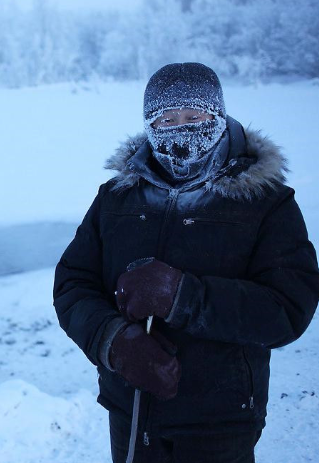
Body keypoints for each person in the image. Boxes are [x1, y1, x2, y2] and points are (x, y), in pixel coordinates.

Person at [53, 62, 319, 463]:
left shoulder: (266, 202)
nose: (181, 130)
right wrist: (112, 341)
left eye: (195, 117)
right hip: (131, 412)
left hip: (220, 423)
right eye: (167, 118)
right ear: (149, 124)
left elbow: (287, 309)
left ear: (219, 116)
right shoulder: (117, 198)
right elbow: (73, 284)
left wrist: (183, 297)